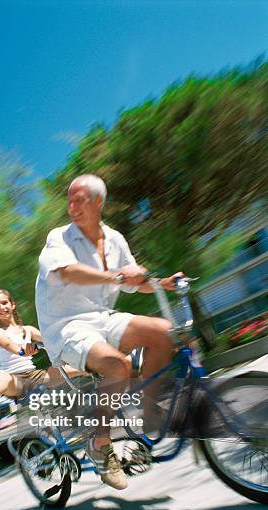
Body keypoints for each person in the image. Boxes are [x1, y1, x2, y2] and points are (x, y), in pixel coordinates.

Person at [35, 174, 183, 490]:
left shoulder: (115, 239)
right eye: (69, 199)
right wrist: (115, 276)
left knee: (165, 333)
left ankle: (147, 412)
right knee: (118, 366)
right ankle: (100, 445)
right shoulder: (58, 238)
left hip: (103, 317)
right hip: (67, 326)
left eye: (80, 199)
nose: (72, 206)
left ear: (98, 202)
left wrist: (160, 282)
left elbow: (133, 281)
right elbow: (68, 272)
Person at [0, 288, 82, 410]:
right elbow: (8, 345)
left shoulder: (28, 330)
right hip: (15, 379)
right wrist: (22, 351)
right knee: (3, 376)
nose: (2, 308)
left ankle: (98, 371)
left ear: (12, 304)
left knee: (77, 367)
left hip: (35, 375)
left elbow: (51, 341)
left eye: (4, 303)